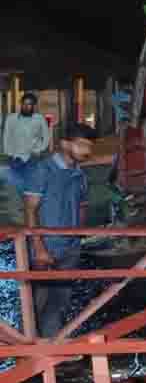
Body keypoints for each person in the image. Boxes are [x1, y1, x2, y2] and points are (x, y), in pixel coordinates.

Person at [25, 122, 96, 338]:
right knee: (39, 301)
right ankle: (31, 352)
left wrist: (79, 238)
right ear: (64, 144)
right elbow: (30, 210)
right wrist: (39, 248)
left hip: (71, 248)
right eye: (82, 145)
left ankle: (52, 352)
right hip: (46, 247)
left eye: (89, 146)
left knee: (61, 300)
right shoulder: (42, 170)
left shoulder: (80, 175)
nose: (87, 151)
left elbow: (82, 206)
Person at [3, 92, 51, 225]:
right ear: (21, 104)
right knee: (15, 190)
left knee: (32, 190)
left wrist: (38, 150)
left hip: (32, 158)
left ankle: (32, 221)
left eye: (30, 104)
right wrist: (9, 154)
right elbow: (7, 137)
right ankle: (18, 222)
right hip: (15, 159)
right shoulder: (11, 119)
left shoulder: (39, 119)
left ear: (34, 106)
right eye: (24, 104)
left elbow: (46, 137)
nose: (27, 107)